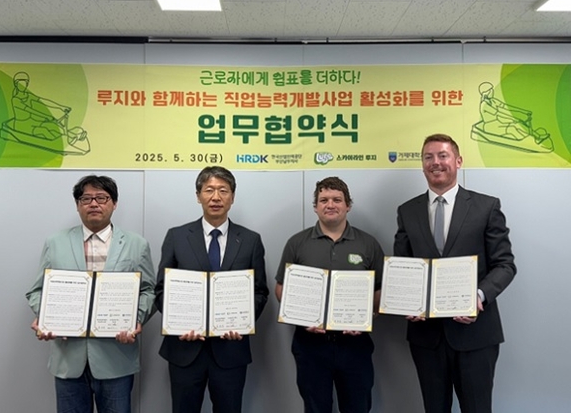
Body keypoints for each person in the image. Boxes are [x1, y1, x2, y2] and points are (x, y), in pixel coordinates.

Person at [394, 133, 517, 413]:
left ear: (458, 161)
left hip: (476, 334)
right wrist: (407, 300)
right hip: (427, 337)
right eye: (428, 157)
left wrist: (479, 296)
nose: (435, 162)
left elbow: (505, 264)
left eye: (443, 155)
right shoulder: (407, 211)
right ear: (422, 164)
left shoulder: (487, 207)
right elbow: (403, 266)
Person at [26, 175, 156, 413]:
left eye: (102, 198)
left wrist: (135, 320)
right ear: (78, 205)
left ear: (114, 203)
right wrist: (45, 317)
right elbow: (37, 290)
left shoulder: (136, 244)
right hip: (68, 359)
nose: (94, 203)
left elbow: (148, 290)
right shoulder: (55, 242)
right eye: (86, 199)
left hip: (116, 358)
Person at [155, 166, 269, 413]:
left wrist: (242, 322)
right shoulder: (176, 236)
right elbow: (162, 290)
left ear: (232, 197)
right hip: (184, 349)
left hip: (231, 349)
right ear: (198, 196)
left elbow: (260, 292)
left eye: (223, 191)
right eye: (209, 190)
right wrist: (178, 322)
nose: (216, 197)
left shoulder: (250, 240)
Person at [275, 176, 384, 413]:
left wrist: (367, 316)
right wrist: (301, 316)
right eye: (324, 200)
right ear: (315, 207)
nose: (330, 205)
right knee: (315, 408)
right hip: (310, 345)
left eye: (337, 199)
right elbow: (281, 288)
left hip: (355, 344)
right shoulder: (297, 243)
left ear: (348, 205)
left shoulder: (368, 244)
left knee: (357, 407)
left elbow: (379, 290)